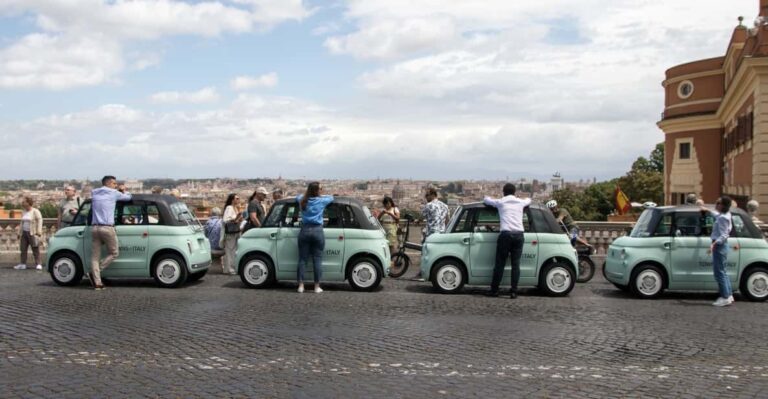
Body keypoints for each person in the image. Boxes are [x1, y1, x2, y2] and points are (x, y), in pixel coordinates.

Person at [483, 184, 531, 298]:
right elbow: (529, 200)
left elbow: (487, 200)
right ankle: (514, 291)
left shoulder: (501, 202)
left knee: (500, 263)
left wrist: (486, 196)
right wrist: (523, 198)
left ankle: (494, 290)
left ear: (503, 192)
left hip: (506, 235)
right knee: (516, 264)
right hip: (519, 235)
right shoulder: (520, 202)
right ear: (514, 192)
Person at [88, 175, 132, 290]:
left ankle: (97, 282)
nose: (115, 185)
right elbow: (128, 198)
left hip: (95, 228)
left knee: (94, 257)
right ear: (108, 183)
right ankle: (96, 273)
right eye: (114, 184)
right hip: (107, 228)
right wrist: (123, 190)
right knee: (114, 253)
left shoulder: (94, 192)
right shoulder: (113, 193)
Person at [296, 182, 334, 293]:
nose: (322, 190)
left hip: (305, 230)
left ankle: (301, 286)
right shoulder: (322, 201)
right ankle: (316, 286)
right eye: (321, 188)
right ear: (317, 190)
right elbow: (331, 198)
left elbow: (297, 197)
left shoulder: (302, 200)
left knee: (302, 259)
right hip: (317, 230)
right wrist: (321, 195)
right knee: (317, 260)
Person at [701, 196, 734, 307]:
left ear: (722, 205)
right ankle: (729, 295)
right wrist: (708, 210)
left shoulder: (722, 218)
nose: (716, 204)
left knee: (719, 272)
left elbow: (724, 234)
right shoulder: (725, 215)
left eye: (718, 203)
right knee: (723, 271)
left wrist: (714, 244)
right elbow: (717, 215)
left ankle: (724, 297)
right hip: (722, 246)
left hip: (719, 246)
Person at [418, 187, 449, 281]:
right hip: (442, 234)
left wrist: (417, 221)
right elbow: (447, 220)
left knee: (425, 253)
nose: (425, 197)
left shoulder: (429, 205)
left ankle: (422, 274)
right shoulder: (445, 206)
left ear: (432, 195)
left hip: (431, 233)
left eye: (427, 195)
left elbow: (421, 216)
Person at [14, 196, 44, 271]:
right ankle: (23, 264)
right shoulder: (23, 211)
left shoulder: (35, 211)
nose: (23, 203)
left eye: (24, 202)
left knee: (35, 248)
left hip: (32, 232)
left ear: (28, 203)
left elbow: (40, 221)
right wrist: (19, 232)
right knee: (23, 249)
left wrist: (39, 231)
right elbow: (21, 223)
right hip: (24, 232)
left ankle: (38, 264)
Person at [220, 193, 243, 275]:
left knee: (233, 250)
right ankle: (230, 269)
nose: (238, 200)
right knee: (230, 251)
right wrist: (235, 218)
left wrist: (238, 218)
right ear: (232, 200)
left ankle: (229, 268)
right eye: (236, 198)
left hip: (235, 231)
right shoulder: (229, 208)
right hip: (230, 233)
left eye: (238, 198)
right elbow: (225, 220)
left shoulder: (235, 208)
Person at [378, 196, 400, 265]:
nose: (387, 205)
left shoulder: (395, 209)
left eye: (388, 203)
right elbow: (378, 219)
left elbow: (398, 218)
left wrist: (390, 213)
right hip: (384, 228)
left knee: (391, 245)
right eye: (386, 204)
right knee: (385, 245)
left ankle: (392, 261)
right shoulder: (383, 210)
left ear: (391, 203)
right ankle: (387, 260)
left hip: (392, 228)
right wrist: (382, 213)